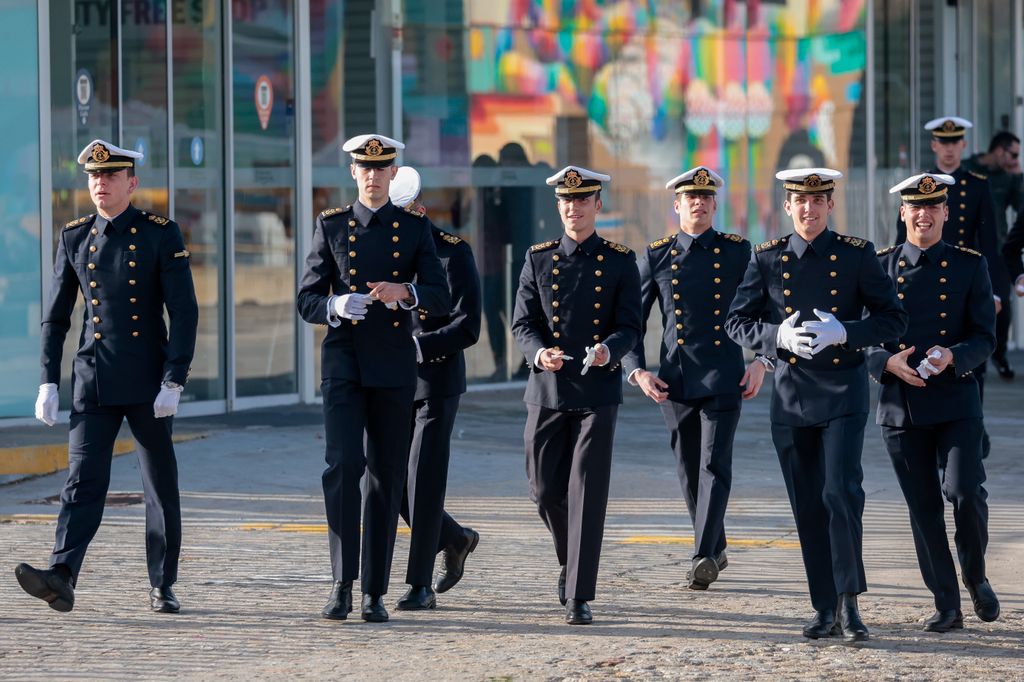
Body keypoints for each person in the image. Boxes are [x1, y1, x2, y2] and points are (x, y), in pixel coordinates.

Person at [15, 139, 199, 614]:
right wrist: (48, 381)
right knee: (81, 479)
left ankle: (162, 582)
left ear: (131, 183)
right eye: (94, 177)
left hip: (148, 380)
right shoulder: (75, 235)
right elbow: (56, 317)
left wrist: (175, 378)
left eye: (110, 176)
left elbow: (184, 311)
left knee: (159, 485)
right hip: (94, 377)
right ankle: (62, 573)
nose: (100, 183)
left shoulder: (161, 233)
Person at [726, 168, 908, 642]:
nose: (808, 209)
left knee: (840, 494)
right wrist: (775, 336)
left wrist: (847, 331)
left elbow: (893, 318)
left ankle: (850, 605)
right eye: (799, 201)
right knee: (808, 503)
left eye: (817, 200)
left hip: (844, 391)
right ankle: (823, 606)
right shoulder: (766, 258)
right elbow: (736, 322)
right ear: (787, 207)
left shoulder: (857, 254)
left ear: (830, 204)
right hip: (791, 397)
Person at [297, 134, 450, 623]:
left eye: (381, 168)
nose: (372, 175)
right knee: (342, 467)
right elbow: (305, 299)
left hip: (393, 366)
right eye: (364, 167)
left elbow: (440, 296)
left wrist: (404, 292)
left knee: (385, 477)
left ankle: (374, 592)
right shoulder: (333, 225)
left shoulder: (413, 228)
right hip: (343, 362)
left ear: (392, 173)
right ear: (354, 173)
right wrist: (336, 305)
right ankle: (342, 582)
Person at [622, 167, 766, 590]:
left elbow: (766, 307)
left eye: (705, 197)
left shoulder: (739, 251)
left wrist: (762, 360)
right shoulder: (658, 254)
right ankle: (716, 545)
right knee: (688, 469)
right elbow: (632, 320)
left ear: (715, 205)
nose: (698, 203)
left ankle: (702, 555)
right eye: (690, 198)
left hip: (726, 376)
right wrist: (637, 371)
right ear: (677, 206)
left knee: (713, 464)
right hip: (675, 380)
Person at [868, 172, 1000, 633]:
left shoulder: (969, 265)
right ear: (902, 213)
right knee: (923, 507)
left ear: (946, 212)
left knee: (965, 492)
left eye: (932, 207)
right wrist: (885, 362)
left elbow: (986, 336)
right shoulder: (879, 267)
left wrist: (954, 356)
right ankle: (947, 602)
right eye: (914, 207)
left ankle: (976, 575)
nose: (923, 215)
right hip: (900, 406)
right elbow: (860, 336)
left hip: (957, 400)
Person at [511, 166, 641, 625]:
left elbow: (631, 325)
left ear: (597, 205)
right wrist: (538, 352)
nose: (574, 207)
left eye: (583, 199)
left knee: (586, 489)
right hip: (546, 389)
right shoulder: (538, 258)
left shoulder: (621, 260)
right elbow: (522, 323)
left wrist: (611, 349)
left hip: (596, 391)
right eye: (567, 200)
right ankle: (572, 560)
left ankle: (579, 593)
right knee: (544, 490)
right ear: (559, 206)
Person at [387, 167, 483, 610]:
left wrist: (417, 347)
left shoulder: (451, 253)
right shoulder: (381, 252)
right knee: (391, 483)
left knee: (422, 481)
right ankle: (454, 538)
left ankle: (419, 584)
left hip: (435, 379)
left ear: (420, 208)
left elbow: (468, 326)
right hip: (387, 381)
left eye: (404, 212)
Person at [894, 118, 1006, 460]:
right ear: (934, 146)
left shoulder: (976, 184)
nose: (948, 148)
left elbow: (990, 240)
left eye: (954, 142)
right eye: (942, 142)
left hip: (967, 279)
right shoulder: (917, 185)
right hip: (924, 277)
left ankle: (972, 423)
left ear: (963, 146)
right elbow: (903, 241)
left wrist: (996, 291)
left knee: (971, 359)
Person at [963, 131, 1022, 379]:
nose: (1015, 160)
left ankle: (998, 354)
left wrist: (1019, 178)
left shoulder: (1009, 178)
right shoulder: (966, 169)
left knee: (1002, 306)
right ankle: (972, 357)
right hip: (966, 248)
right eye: (1013, 154)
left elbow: (1022, 207)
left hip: (996, 250)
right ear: (999, 150)